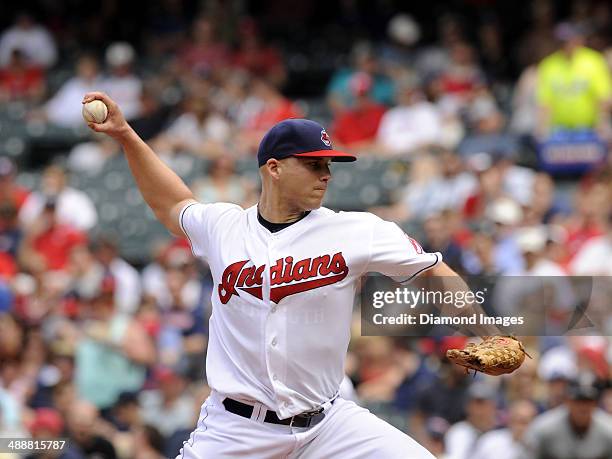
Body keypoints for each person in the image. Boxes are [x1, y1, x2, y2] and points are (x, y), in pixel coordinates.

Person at [83, 90, 499, 458]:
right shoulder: (224, 227)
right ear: (274, 168)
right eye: (314, 164)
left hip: (328, 426)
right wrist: (126, 136)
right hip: (237, 431)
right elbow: (170, 204)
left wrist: (482, 331)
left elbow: (432, 271)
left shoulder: (356, 231)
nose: (327, 175)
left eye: (328, 165)